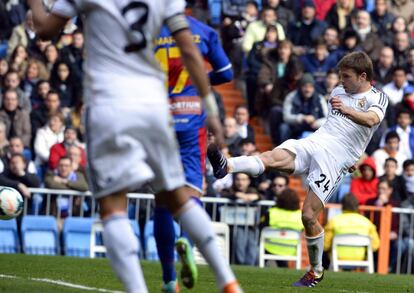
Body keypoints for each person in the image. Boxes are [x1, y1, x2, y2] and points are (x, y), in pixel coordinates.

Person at [29, 1, 241, 293]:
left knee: (115, 207)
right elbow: (193, 53)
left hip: (109, 104)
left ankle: (156, 284)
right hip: (158, 108)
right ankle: (226, 279)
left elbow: (44, 29)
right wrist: (212, 111)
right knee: (180, 196)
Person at [208, 51, 388, 287]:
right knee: (272, 157)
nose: (341, 81)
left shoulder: (378, 98)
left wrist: (348, 114)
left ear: (363, 76)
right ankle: (226, 166)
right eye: (341, 76)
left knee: (308, 216)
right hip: (316, 141)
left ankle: (316, 270)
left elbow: (371, 120)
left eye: (346, 76)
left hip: (335, 159)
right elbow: (334, 127)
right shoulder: (337, 92)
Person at [154, 15, 234, 291]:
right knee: (192, 191)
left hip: (157, 117)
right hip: (190, 116)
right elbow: (226, 73)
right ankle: (186, 240)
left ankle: (168, 280)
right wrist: (199, 79)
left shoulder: (146, 29)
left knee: (163, 199)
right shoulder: (203, 31)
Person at [323, 193, 380, 266]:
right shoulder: (367, 223)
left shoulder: (333, 221)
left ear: (342, 206)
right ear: (357, 206)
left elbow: (325, 246)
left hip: (337, 257)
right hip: (360, 258)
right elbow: (375, 245)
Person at [260, 188, 303, 267]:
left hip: (270, 246)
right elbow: (302, 230)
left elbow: (261, 227)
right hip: (290, 248)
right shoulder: (300, 215)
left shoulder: (271, 212)